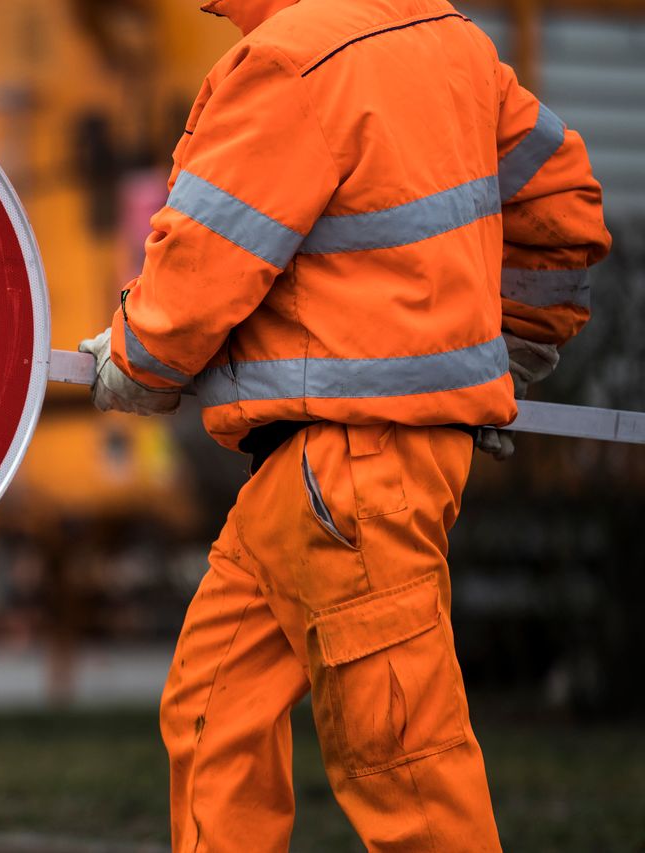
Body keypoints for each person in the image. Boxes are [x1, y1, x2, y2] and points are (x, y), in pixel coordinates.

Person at [78, 0, 611, 850]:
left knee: (404, 760)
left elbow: (208, 252)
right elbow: (564, 203)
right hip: (333, 473)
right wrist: (509, 340)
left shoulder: (289, 61)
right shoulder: (453, 45)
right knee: (214, 709)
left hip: (349, 469)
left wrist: (138, 360)